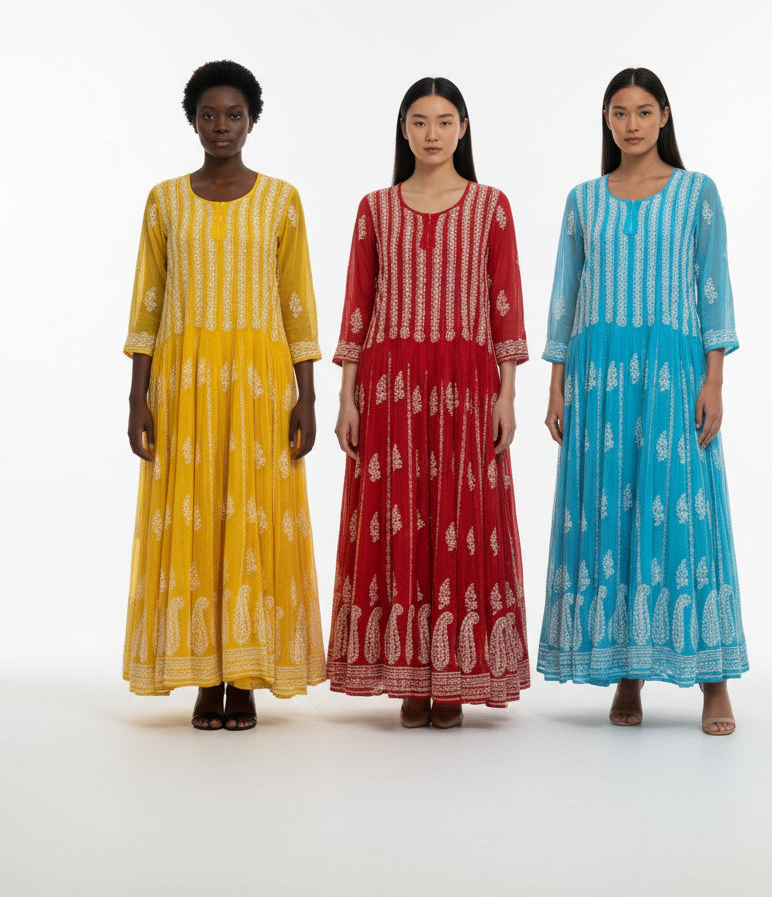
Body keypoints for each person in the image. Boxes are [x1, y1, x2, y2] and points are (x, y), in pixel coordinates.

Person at [537, 68, 747, 735]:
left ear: (664, 118)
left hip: (672, 370)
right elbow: (565, 298)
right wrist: (556, 383)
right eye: (619, 111)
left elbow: (712, 288)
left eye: (644, 110)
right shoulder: (583, 201)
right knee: (611, 510)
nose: (631, 123)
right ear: (607, 121)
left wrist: (713, 381)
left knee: (685, 513)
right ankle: (625, 671)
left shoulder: (695, 193)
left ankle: (713, 682)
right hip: (600, 378)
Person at [123, 60, 326, 730]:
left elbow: (297, 303)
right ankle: (203, 680)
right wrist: (137, 397)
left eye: (232, 115)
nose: (220, 127)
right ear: (191, 119)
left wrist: (308, 397)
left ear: (252, 120)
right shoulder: (164, 201)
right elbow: (147, 306)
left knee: (250, 521)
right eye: (208, 115)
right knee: (195, 520)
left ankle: (245, 678)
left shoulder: (281, 200)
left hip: (260, 389)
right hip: (185, 390)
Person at [329, 77, 530, 728]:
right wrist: (347, 396)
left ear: (463, 128)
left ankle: (453, 680)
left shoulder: (491, 207)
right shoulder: (375, 208)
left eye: (445, 121)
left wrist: (507, 392)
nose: (433, 133)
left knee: (460, 519)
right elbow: (357, 305)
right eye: (420, 121)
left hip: (465, 391)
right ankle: (410, 677)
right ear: (404, 130)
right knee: (400, 523)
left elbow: (505, 304)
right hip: (390, 391)